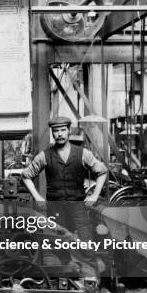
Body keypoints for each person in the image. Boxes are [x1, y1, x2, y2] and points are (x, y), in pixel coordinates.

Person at [21, 116, 108, 278]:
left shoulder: (83, 154)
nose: (60, 134)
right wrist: (37, 197)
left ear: (69, 131)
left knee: (86, 246)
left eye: (63, 130)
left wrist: (95, 195)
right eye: (56, 131)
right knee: (58, 247)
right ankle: (65, 285)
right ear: (53, 133)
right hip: (55, 207)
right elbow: (26, 175)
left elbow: (102, 171)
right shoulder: (44, 156)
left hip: (77, 207)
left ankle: (93, 289)